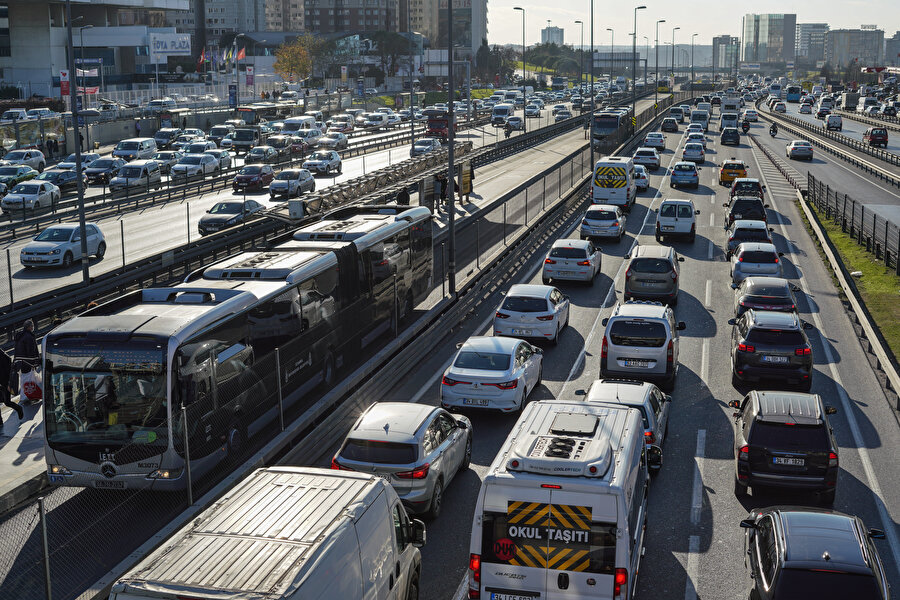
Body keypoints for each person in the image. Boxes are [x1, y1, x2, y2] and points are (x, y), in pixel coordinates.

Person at [0, 347, 24, 424]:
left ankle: (18, 408)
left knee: (7, 402)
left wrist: (7, 378)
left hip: (5, 381)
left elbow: (9, 363)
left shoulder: (2, 355)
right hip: (2, 381)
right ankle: (0, 422)